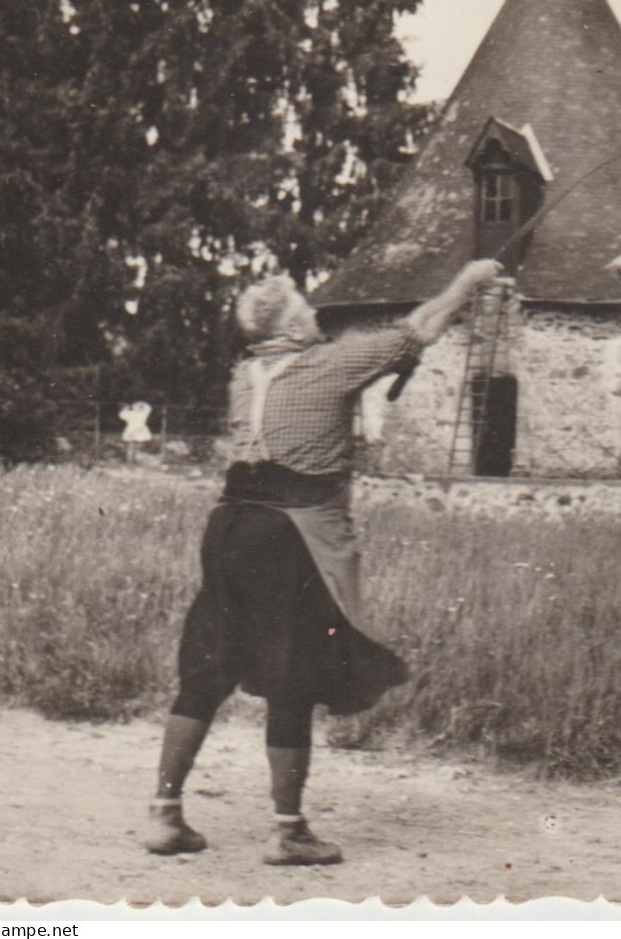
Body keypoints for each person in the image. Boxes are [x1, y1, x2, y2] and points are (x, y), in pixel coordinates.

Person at [143, 258, 504, 865]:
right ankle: (288, 832)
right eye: (306, 310)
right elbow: (421, 327)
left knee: (207, 668)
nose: (317, 316)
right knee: (294, 675)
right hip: (291, 536)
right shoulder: (327, 366)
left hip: (229, 528)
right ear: (289, 327)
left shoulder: (244, 375)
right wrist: (468, 281)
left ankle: (164, 816)